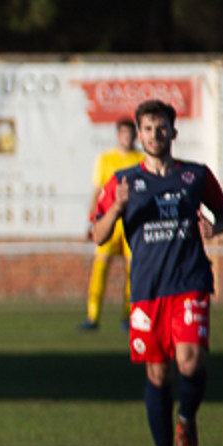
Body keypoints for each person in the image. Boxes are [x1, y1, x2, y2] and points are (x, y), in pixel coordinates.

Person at [89, 98, 223, 446]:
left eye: (162, 127)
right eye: (148, 128)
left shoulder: (195, 176)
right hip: (148, 291)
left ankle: (186, 418)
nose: (155, 134)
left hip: (189, 281)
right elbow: (97, 236)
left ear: (174, 130)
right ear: (139, 135)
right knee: (158, 373)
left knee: (189, 360)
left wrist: (213, 227)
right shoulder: (123, 182)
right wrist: (115, 208)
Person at [81, 118, 142, 330]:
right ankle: (92, 316)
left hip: (132, 223)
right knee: (100, 266)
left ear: (135, 135)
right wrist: (91, 219)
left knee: (133, 270)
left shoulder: (141, 159)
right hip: (109, 220)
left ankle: (129, 316)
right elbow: (97, 190)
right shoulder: (106, 159)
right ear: (117, 136)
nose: (126, 137)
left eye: (130, 133)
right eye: (123, 133)